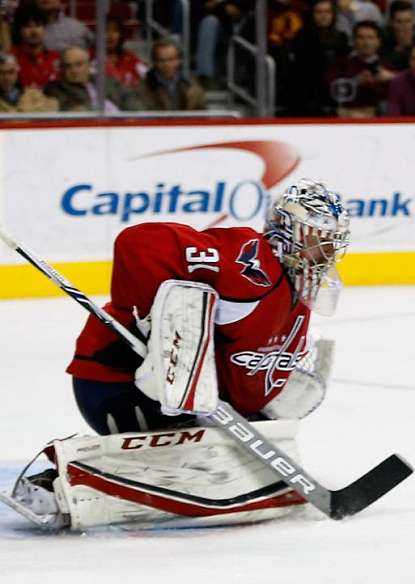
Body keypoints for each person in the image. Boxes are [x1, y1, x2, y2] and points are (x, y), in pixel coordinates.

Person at [8, 178, 351, 530]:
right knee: (199, 455)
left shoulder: (298, 295)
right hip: (121, 382)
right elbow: (138, 244)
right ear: (285, 230)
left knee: (225, 451)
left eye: (332, 239)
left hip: (184, 401)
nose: (325, 248)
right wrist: (157, 325)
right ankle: (58, 486)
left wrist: (261, 413)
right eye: (316, 236)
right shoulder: (248, 262)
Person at [289, 0, 351, 115]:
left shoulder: (341, 38)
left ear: (333, 14)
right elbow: (302, 70)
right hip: (308, 94)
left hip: (335, 92)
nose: (323, 16)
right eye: (319, 12)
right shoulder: (302, 36)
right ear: (312, 15)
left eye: (327, 12)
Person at [326, 20, 396, 117]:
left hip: (379, 121)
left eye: (370, 38)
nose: (366, 42)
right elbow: (331, 93)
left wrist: (393, 78)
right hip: (347, 119)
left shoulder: (388, 67)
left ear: (378, 41)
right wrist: (355, 82)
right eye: (361, 38)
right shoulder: (341, 65)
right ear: (354, 41)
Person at [44, 46, 141, 111]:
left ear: (88, 65)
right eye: (68, 66)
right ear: (62, 69)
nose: (74, 70)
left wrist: (134, 115)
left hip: (123, 126)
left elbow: (130, 98)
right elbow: (69, 108)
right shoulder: (56, 89)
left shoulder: (108, 81)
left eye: (79, 64)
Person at [136, 39, 206, 111]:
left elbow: (202, 115)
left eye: (171, 59)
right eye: (162, 60)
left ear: (178, 60)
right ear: (154, 62)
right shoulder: (144, 87)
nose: (167, 64)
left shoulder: (191, 86)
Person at [10, 7, 59, 89]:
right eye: (28, 26)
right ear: (20, 30)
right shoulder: (11, 58)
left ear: (44, 28)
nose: (34, 31)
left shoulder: (55, 57)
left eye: (38, 25)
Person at [99, 19, 146, 89]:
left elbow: (147, 76)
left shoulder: (130, 58)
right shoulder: (90, 57)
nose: (110, 35)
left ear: (121, 35)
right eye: (106, 30)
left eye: (115, 31)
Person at [381, 0, 415, 71]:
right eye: (399, 22)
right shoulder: (383, 40)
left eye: (408, 21)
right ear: (391, 23)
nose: (405, 26)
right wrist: (401, 47)